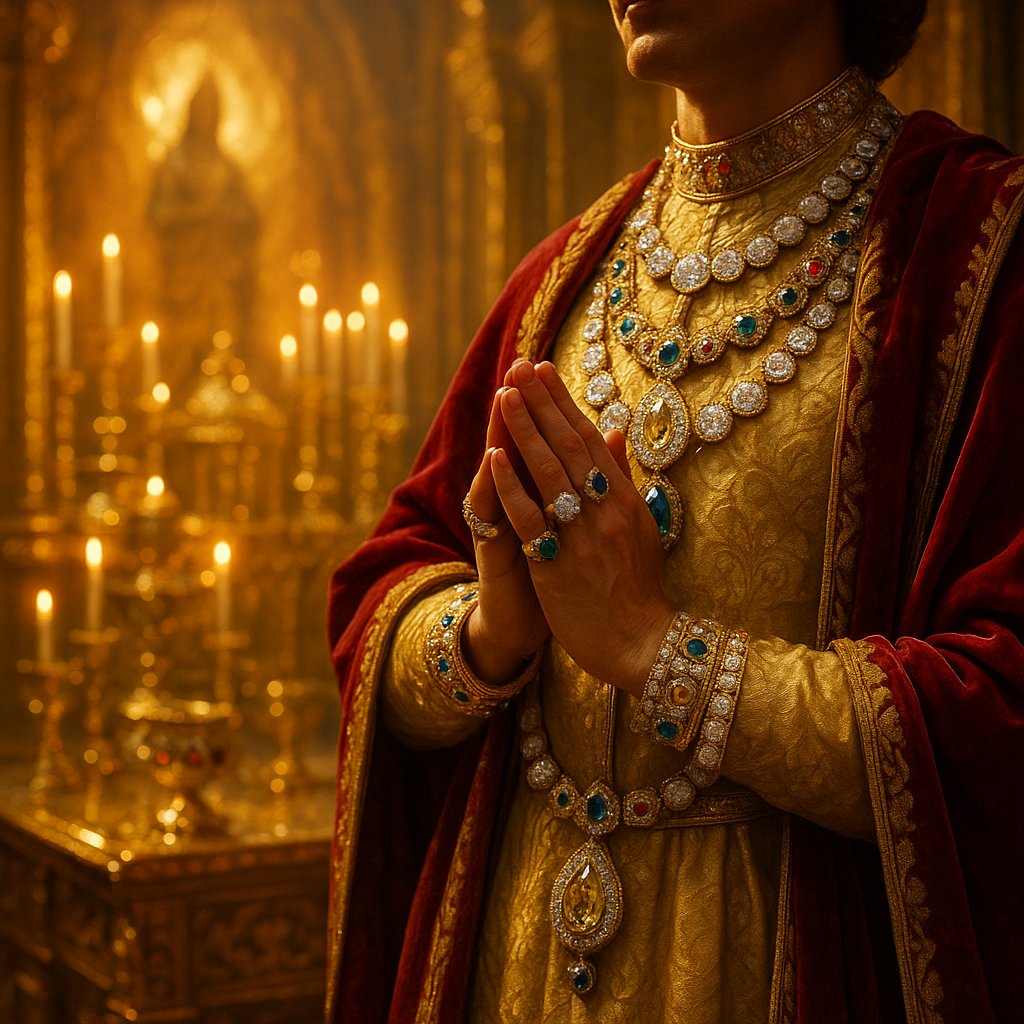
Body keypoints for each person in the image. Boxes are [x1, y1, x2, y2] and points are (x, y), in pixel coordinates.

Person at [326, 1, 1024, 1020]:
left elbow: (999, 706)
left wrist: (659, 655)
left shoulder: (973, 251)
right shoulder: (563, 275)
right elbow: (378, 599)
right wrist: (486, 631)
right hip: (516, 964)